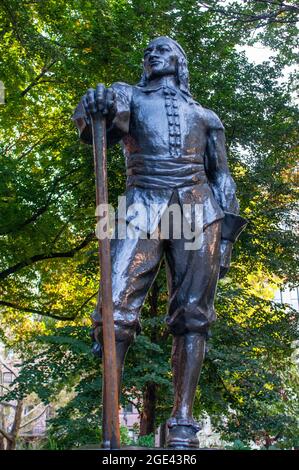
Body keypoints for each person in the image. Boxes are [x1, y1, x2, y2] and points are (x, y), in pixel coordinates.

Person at [73, 36, 247, 449]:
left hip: (199, 210)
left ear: (180, 62)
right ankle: (110, 423)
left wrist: (226, 238)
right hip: (141, 206)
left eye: (163, 50)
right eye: (148, 51)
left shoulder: (206, 116)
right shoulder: (126, 95)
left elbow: (221, 176)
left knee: (193, 314)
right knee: (113, 308)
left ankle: (183, 423)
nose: (153, 54)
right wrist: (95, 105)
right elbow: (100, 123)